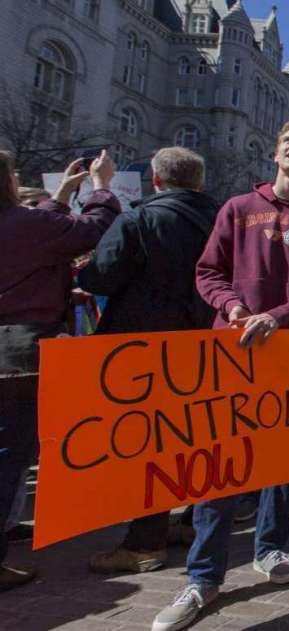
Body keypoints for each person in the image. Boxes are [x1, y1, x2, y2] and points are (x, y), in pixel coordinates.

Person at [151, 120, 289, 631]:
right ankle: (203, 578)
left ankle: (271, 547)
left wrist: (278, 317)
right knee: (221, 461)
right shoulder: (238, 208)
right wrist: (234, 307)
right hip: (233, 347)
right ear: (275, 154)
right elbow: (208, 272)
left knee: (281, 455)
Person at [80, 147, 219, 575]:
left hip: (143, 346)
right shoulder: (221, 222)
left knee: (151, 444)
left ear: (155, 181)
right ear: (198, 183)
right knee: (197, 435)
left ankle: (145, 541)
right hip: (204, 341)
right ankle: (193, 522)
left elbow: (100, 275)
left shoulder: (138, 219)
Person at [0, 150, 121, 591]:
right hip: (17, 354)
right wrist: (101, 187)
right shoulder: (24, 224)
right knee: (10, 455)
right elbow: (91, 230)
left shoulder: (25, 223)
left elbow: (37, 230)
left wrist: (62, 193)